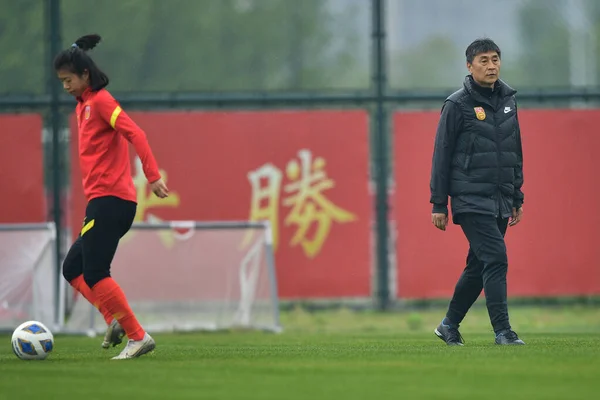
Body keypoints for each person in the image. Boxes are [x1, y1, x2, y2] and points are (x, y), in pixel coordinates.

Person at [55, 34, 169, 359]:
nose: (65, 87)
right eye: (61, 81)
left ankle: (137, 336)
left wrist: (153, 177)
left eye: (69, 80)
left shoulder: (102, 102)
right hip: (102, 202)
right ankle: (114, 320)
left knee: (94, 272)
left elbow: (137, 133)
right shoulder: (84, 106)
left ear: (85, 75)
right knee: (73, 268)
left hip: (111, 202)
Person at [429, 38, 525, 346]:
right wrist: (439, 204)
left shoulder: (509, 100)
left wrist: (517, 196)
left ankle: (448, 325)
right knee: (496, 258)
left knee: (478, 266)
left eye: (495, 58)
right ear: (469, 67)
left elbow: (514, 151)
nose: (491, 65)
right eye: (483, 60)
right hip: (470, 198)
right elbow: (441, 156)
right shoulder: (456, 104)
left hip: (499, 198)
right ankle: (503, 331)